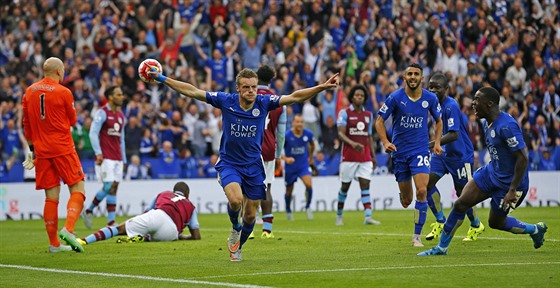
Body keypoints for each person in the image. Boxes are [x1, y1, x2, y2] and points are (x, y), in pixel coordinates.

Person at [148, 66, 338, 261]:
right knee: (236, 200)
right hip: (229, 163)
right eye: (246, 87)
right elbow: (193, 91)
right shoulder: (226, 101)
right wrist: (163, 78)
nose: (251, 91)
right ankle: (235, 227)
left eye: (254, 87)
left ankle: (238, 245)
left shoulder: (264, 103)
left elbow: (295, 97)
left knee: (249, 216)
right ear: (238, 88)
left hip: (254, 165)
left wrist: (321, 87)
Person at [418, 87, 548, 256]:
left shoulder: (507, 126)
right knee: (460, 203)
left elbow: (523, 158)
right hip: (491, 173)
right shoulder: (487, 122)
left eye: (477, 100)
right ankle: (441, 248)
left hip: (510, 184)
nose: (473, 103)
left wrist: (512, 189)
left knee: (496, 222)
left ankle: (535, 230)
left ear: (489, 104)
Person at [375, 63, 443, 247]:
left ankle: (416, 237)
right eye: (409, 74)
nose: (413, 77)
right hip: (399, 153)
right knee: (407, 200)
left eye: (416, 74)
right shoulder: (395, 98)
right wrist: (386, 142)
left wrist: (436, 142)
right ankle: (404, 196)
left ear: (422, 79)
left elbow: (439, 121)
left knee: (422, 190)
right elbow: (379, 122)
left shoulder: (430, 98)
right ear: (404, 77)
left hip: (420, 150)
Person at [22, 57, 86, 253]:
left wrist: (32, 151)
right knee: (78, 189)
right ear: (59, 71)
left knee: (51, 197)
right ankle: (68, 229)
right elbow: (73, 120)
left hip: (41, 150)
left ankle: (54, 245)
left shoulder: (29, 92)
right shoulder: (64, 92)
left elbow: (27, 124)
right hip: (63, 148)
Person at [424, 73, 485, 242]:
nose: (433, 90)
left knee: (463, 194)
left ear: (446, 89)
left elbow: (453, 134)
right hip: (443, 153)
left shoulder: (451, 106)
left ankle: (475, 224)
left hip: (460, 156)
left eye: (437, 87)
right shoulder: (432, 104)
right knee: (426, 184)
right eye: (431, 87)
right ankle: (440, 221)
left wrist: (431, 144)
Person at [77, 181, 200, 245]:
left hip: (158, 216)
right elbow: (196, 236)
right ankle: (144, 237)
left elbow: (146, 211)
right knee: (154, 236)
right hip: (171, 233)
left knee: (118, 229)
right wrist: (182, 236)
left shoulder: (164, 194)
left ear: (174, 191)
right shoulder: (191, 206)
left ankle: (84, 241)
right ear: (187, 194)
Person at [335, 84, 381, 226]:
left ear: (364, 98)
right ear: (352, 97)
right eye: (357, 95)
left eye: (362, 95)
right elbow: (341, 134)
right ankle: (339, 215)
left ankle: (368, 216)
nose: (359, 97)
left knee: (365, 184)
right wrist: (353, 144)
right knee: (345, 187)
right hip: (349, 157)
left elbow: (369, 137)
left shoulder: (368, 115)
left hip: (365, 156)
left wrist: (373, 156)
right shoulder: (344, 113)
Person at [82, 86, 126, 228]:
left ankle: (111, 221)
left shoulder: (120, 116)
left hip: (118, 158)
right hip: (105, 157)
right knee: (108, 186)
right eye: (119, 94)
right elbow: (93, 133)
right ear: (111, 97)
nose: (122, 97)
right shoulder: (102, 113)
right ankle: (89, 210)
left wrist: (124, 159)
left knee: (114, 187)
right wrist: (98, 152)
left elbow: (122, 140)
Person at [257, 65, 286, 239]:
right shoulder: (278, 100)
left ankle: (248, 227)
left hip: (249, 147)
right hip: (268, 148)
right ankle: (267, 230)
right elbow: (281, 133)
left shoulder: (247, 95)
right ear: (271, 79)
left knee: (247, 188)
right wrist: (278, 154)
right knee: (267, 187)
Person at [283, 114, 315, 221]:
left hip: (303, 165)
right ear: (293, 123)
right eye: (297, 122)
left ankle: (308, 206)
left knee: (309, 185)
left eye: (301, 122)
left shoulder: (308, 134)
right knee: (289, 191)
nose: (299, 124)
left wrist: (310, 158)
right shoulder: (287, 135)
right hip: (290, 167)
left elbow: (312, 144)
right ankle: (288, 210)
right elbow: (277, 149)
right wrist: (285, 158)